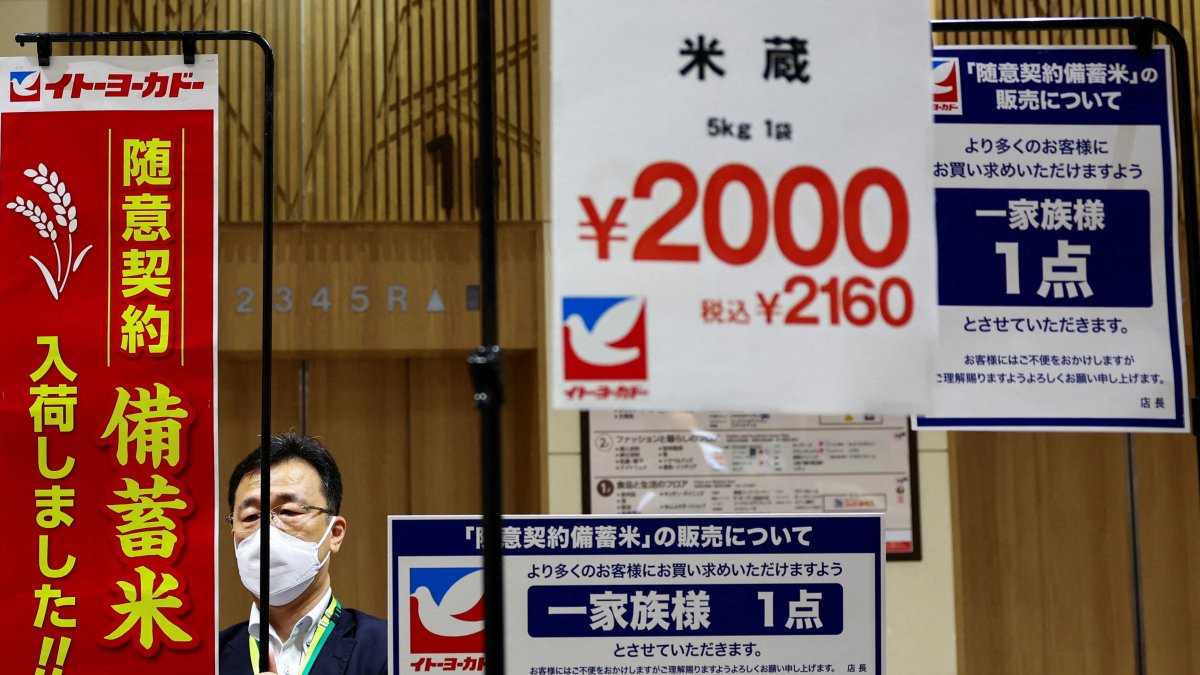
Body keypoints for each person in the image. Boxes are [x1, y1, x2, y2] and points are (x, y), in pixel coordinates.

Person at [218, 432, 386, 675]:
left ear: (335, 533)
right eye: (251, 517)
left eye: (289, 512)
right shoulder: (209, 658)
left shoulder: (389, 649)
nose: (267, 532)